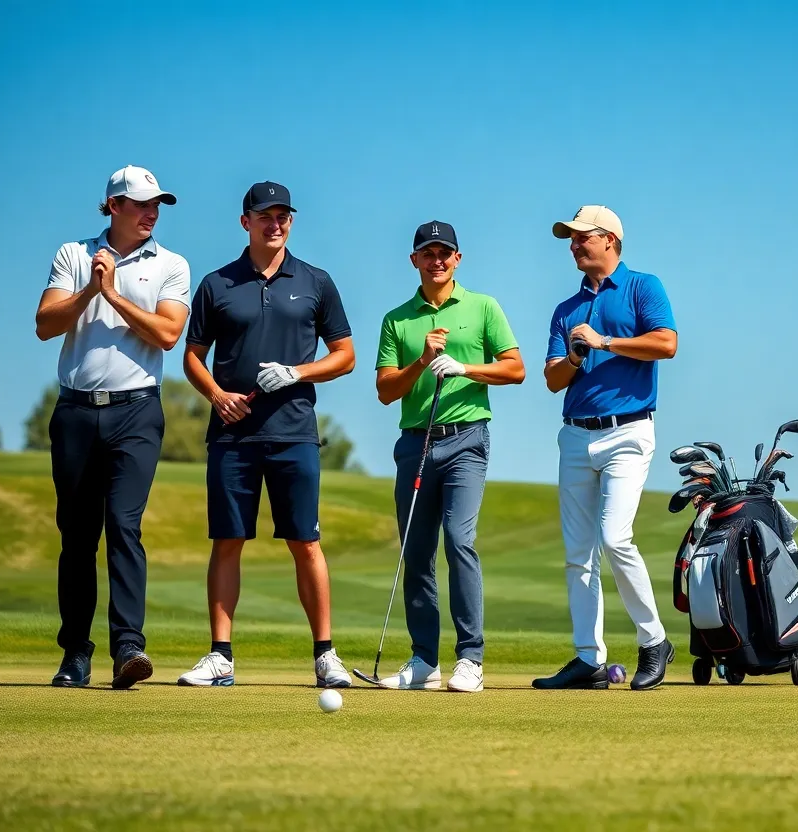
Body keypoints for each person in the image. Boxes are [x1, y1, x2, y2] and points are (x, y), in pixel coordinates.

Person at [178, 181, 355, 688]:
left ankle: (325, 655)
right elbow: (193, 356)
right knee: (227, 541)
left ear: (291, 222)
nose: (274, 224)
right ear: (246, 222)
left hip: (294, 432)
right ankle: (220, 656)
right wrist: (217, 395)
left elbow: (345, 356)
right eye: (264, 216)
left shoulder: (316, 281)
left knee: (305, 541)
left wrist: (298, 373)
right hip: (232, 434)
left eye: (283, 216)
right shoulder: (217, 284)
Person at [35, 165, 190, 689]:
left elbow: (169, 334)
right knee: (77, 534)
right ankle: (75, 653)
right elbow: (44, 324)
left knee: (125, 525)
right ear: (114, 206)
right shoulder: (73, 254)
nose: (152, 213)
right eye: (143, 203)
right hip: (76, 411)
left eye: (158, 205)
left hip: (136, 412)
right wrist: (89, 291)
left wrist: (114, 294)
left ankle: (129, 648)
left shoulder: (172, 264)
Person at [532, 206, 678, 691]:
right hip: (575, 433)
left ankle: (654, 640)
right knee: (579, 553)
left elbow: (666, 343)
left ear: (610, 240)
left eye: (582, 237)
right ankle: (588, 659)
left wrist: (605, 342)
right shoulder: (565, 309)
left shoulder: (643, 286)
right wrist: (575, 354)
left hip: (628, 432)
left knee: (615, 538)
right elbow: (553, 379)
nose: (574, 245)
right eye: (570, 239)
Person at [374, 221, 524, 693]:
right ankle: (424, 660)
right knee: (416, 552)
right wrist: (420, 361)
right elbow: (384, 390)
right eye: (428, 252)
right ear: (414, 260)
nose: (437, 260)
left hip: (467, 440)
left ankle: (470, 659)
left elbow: (515, 370)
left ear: (458, 259)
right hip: (415, 442)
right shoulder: (397, 319)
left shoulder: (483, 307)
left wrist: (463, 367)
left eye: (445, 252)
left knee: (459, 541)